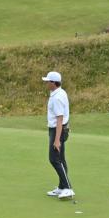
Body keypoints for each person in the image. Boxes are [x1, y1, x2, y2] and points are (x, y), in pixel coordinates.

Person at [42, 70, 73, 200]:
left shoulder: (58, 97)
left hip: (57, 130)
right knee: (60, 159)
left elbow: (60, 119)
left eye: (48, 81)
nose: (46, 84)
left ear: (53, 83)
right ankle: (62, 187)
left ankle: (67, 188)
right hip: (60, 129)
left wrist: (56, 140)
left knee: (54, 159)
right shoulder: (59, 93)